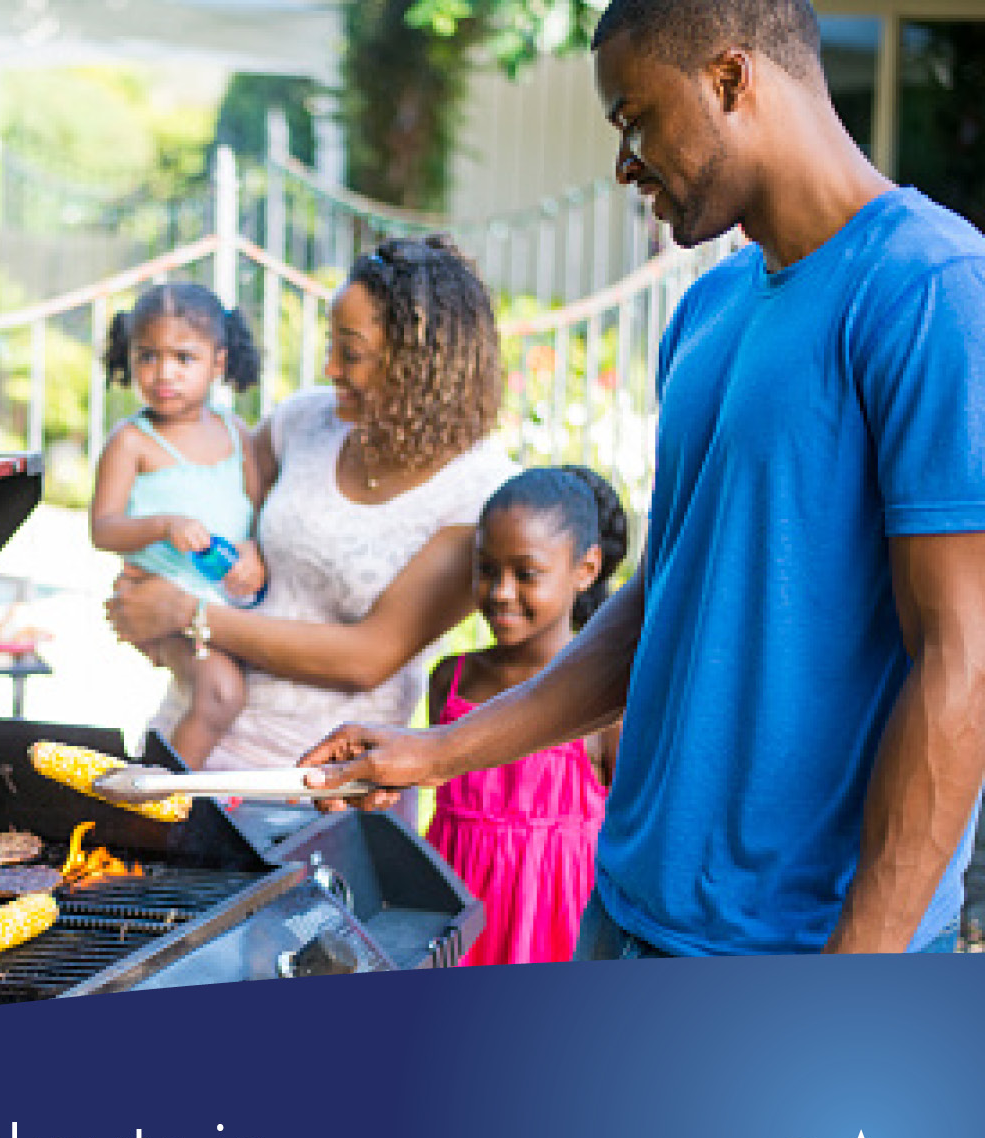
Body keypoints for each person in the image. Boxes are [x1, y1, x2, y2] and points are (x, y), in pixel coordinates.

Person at [301, 0, 985, 957]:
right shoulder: (706, 312)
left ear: (730, 79)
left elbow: (965, 662)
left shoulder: (931, 289)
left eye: (635, 119)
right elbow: (665, 600)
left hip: (799, 951)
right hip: (626, 918)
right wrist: (437, 752)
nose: (625, 163)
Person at [106, 236, 510, 795]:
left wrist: (185, 612)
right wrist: (164, 573)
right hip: (191, 739)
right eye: (330, 344)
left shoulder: (477, 490)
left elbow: (368, 657)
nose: (329, 367)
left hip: (324, 786)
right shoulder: (304, 421)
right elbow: (222, 508)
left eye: (351, 351)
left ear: (421, 362)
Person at [427, 466, 628, 965]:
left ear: (586, 569)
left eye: (526, 574)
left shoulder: (607, 701)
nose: (500, 592)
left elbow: (628, 830)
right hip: (455, 915)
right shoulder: (451, 681)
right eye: (487, 569)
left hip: (555, 932)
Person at [90, 282, 265, 768]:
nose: (164, 373)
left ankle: (168, 777)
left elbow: (258, 514)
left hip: (223, 599)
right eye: (148, 356)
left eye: (184, 358)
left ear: (219, 362)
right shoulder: (132, 442)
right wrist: (163, 525)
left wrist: (252, 552)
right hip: (160, 598)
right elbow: (103, 528)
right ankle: (158, 800)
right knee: (220, 693)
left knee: (225, 691)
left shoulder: (236, 434)